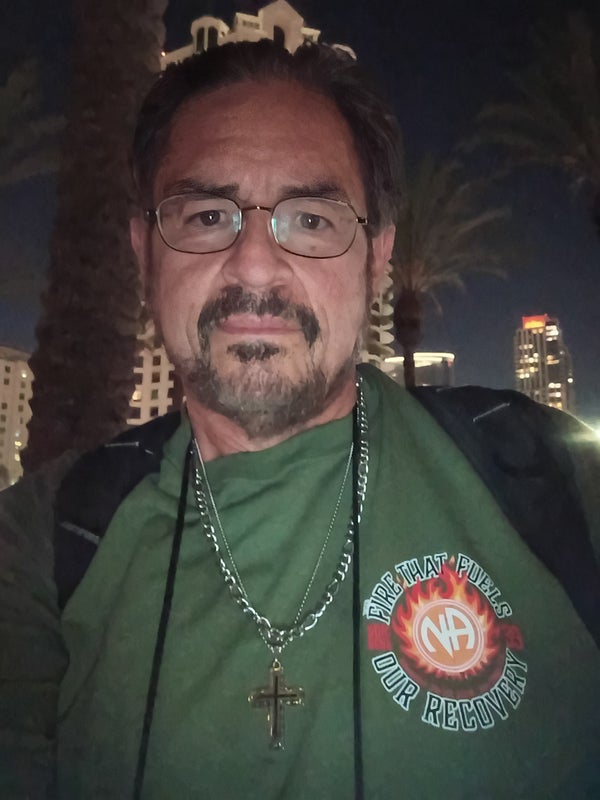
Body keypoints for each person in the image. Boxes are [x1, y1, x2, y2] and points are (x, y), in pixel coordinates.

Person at [1, 39, 599, 800]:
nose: (255, 264)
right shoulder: (45, 536)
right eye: (208, 215)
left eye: (311, 219)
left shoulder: (550, 477)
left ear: (376, 261)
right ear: (144, 253)